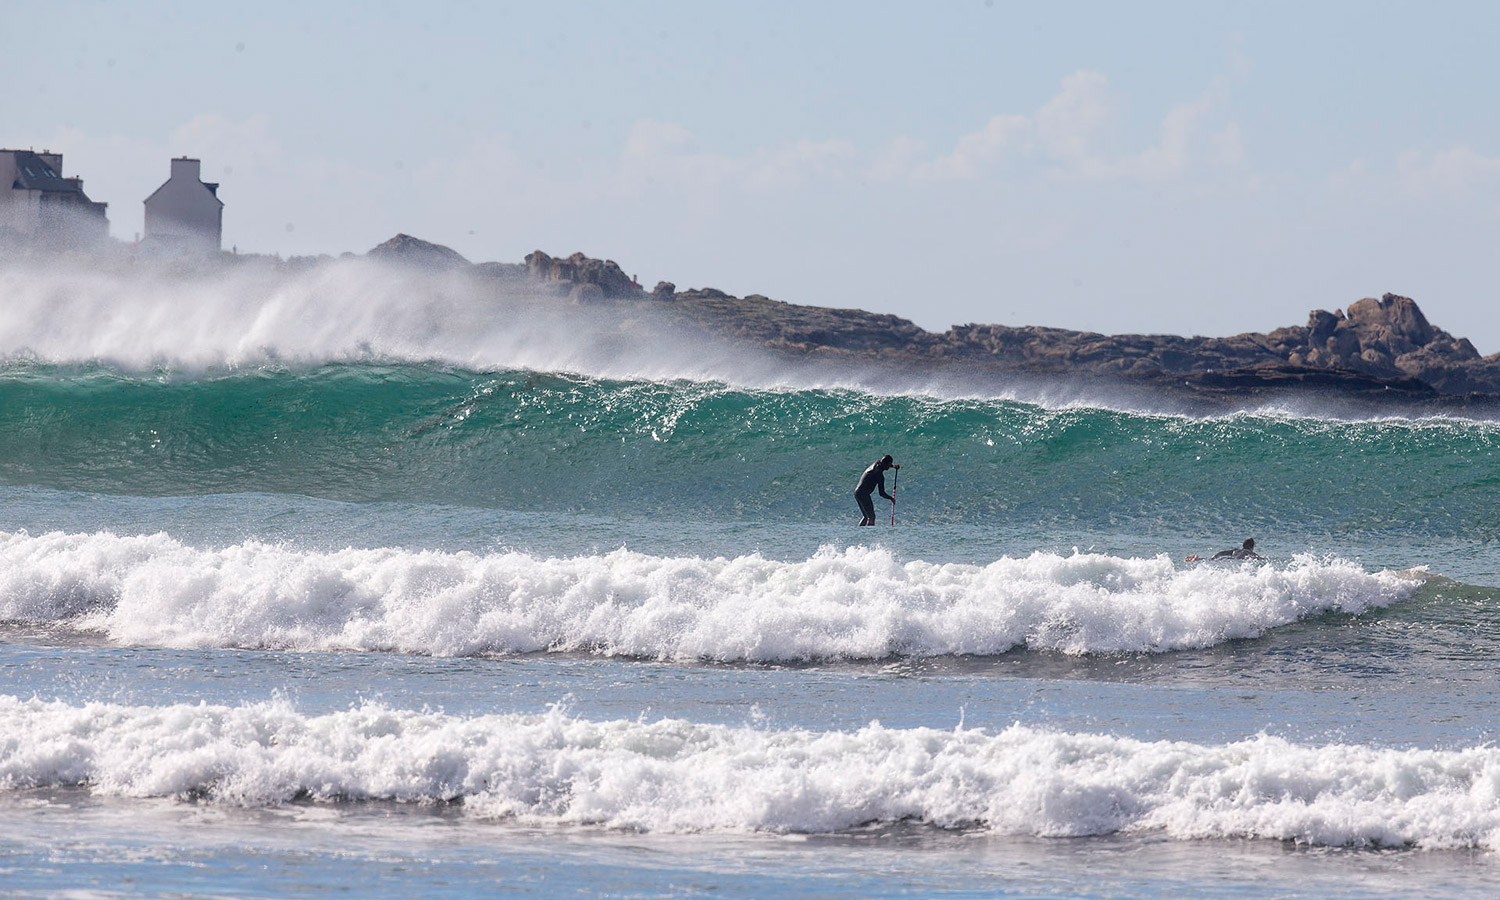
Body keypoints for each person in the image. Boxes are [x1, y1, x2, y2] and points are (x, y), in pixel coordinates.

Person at [855, 455, 898, 526]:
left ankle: (859, 534)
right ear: (887, 464)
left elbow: (883, 463)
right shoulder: (879, 474)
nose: (889, 466)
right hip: (863, 494)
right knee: (871, 517)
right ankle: (869, 535)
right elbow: (881, 493)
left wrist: (893, 466)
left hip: (857, 492)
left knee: (866, 517)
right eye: (890, 464)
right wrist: (891, 498)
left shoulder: (876, 464)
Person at [1185, 538, 1264, 563]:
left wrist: (1214, 557)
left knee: (1210, 561)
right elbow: (1259, 559)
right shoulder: (1250, 552)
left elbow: (1222, 553)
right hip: (1234, 561)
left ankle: (1197, 558)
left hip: (1226, 558)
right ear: (1252, 546)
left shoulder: (1236, 550)